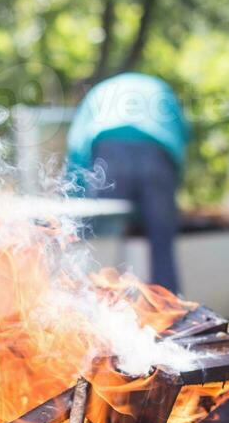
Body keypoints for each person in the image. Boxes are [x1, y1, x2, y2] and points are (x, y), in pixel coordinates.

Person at [66, 72, 189, 293]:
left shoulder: (100, 92)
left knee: (105, 241)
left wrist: (76, 198)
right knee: (162, 242)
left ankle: (103, 308)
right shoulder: (159, 86)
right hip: (159, 154)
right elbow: (182, 135)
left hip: (109, 154)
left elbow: (78, 146)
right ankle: (172, 310)